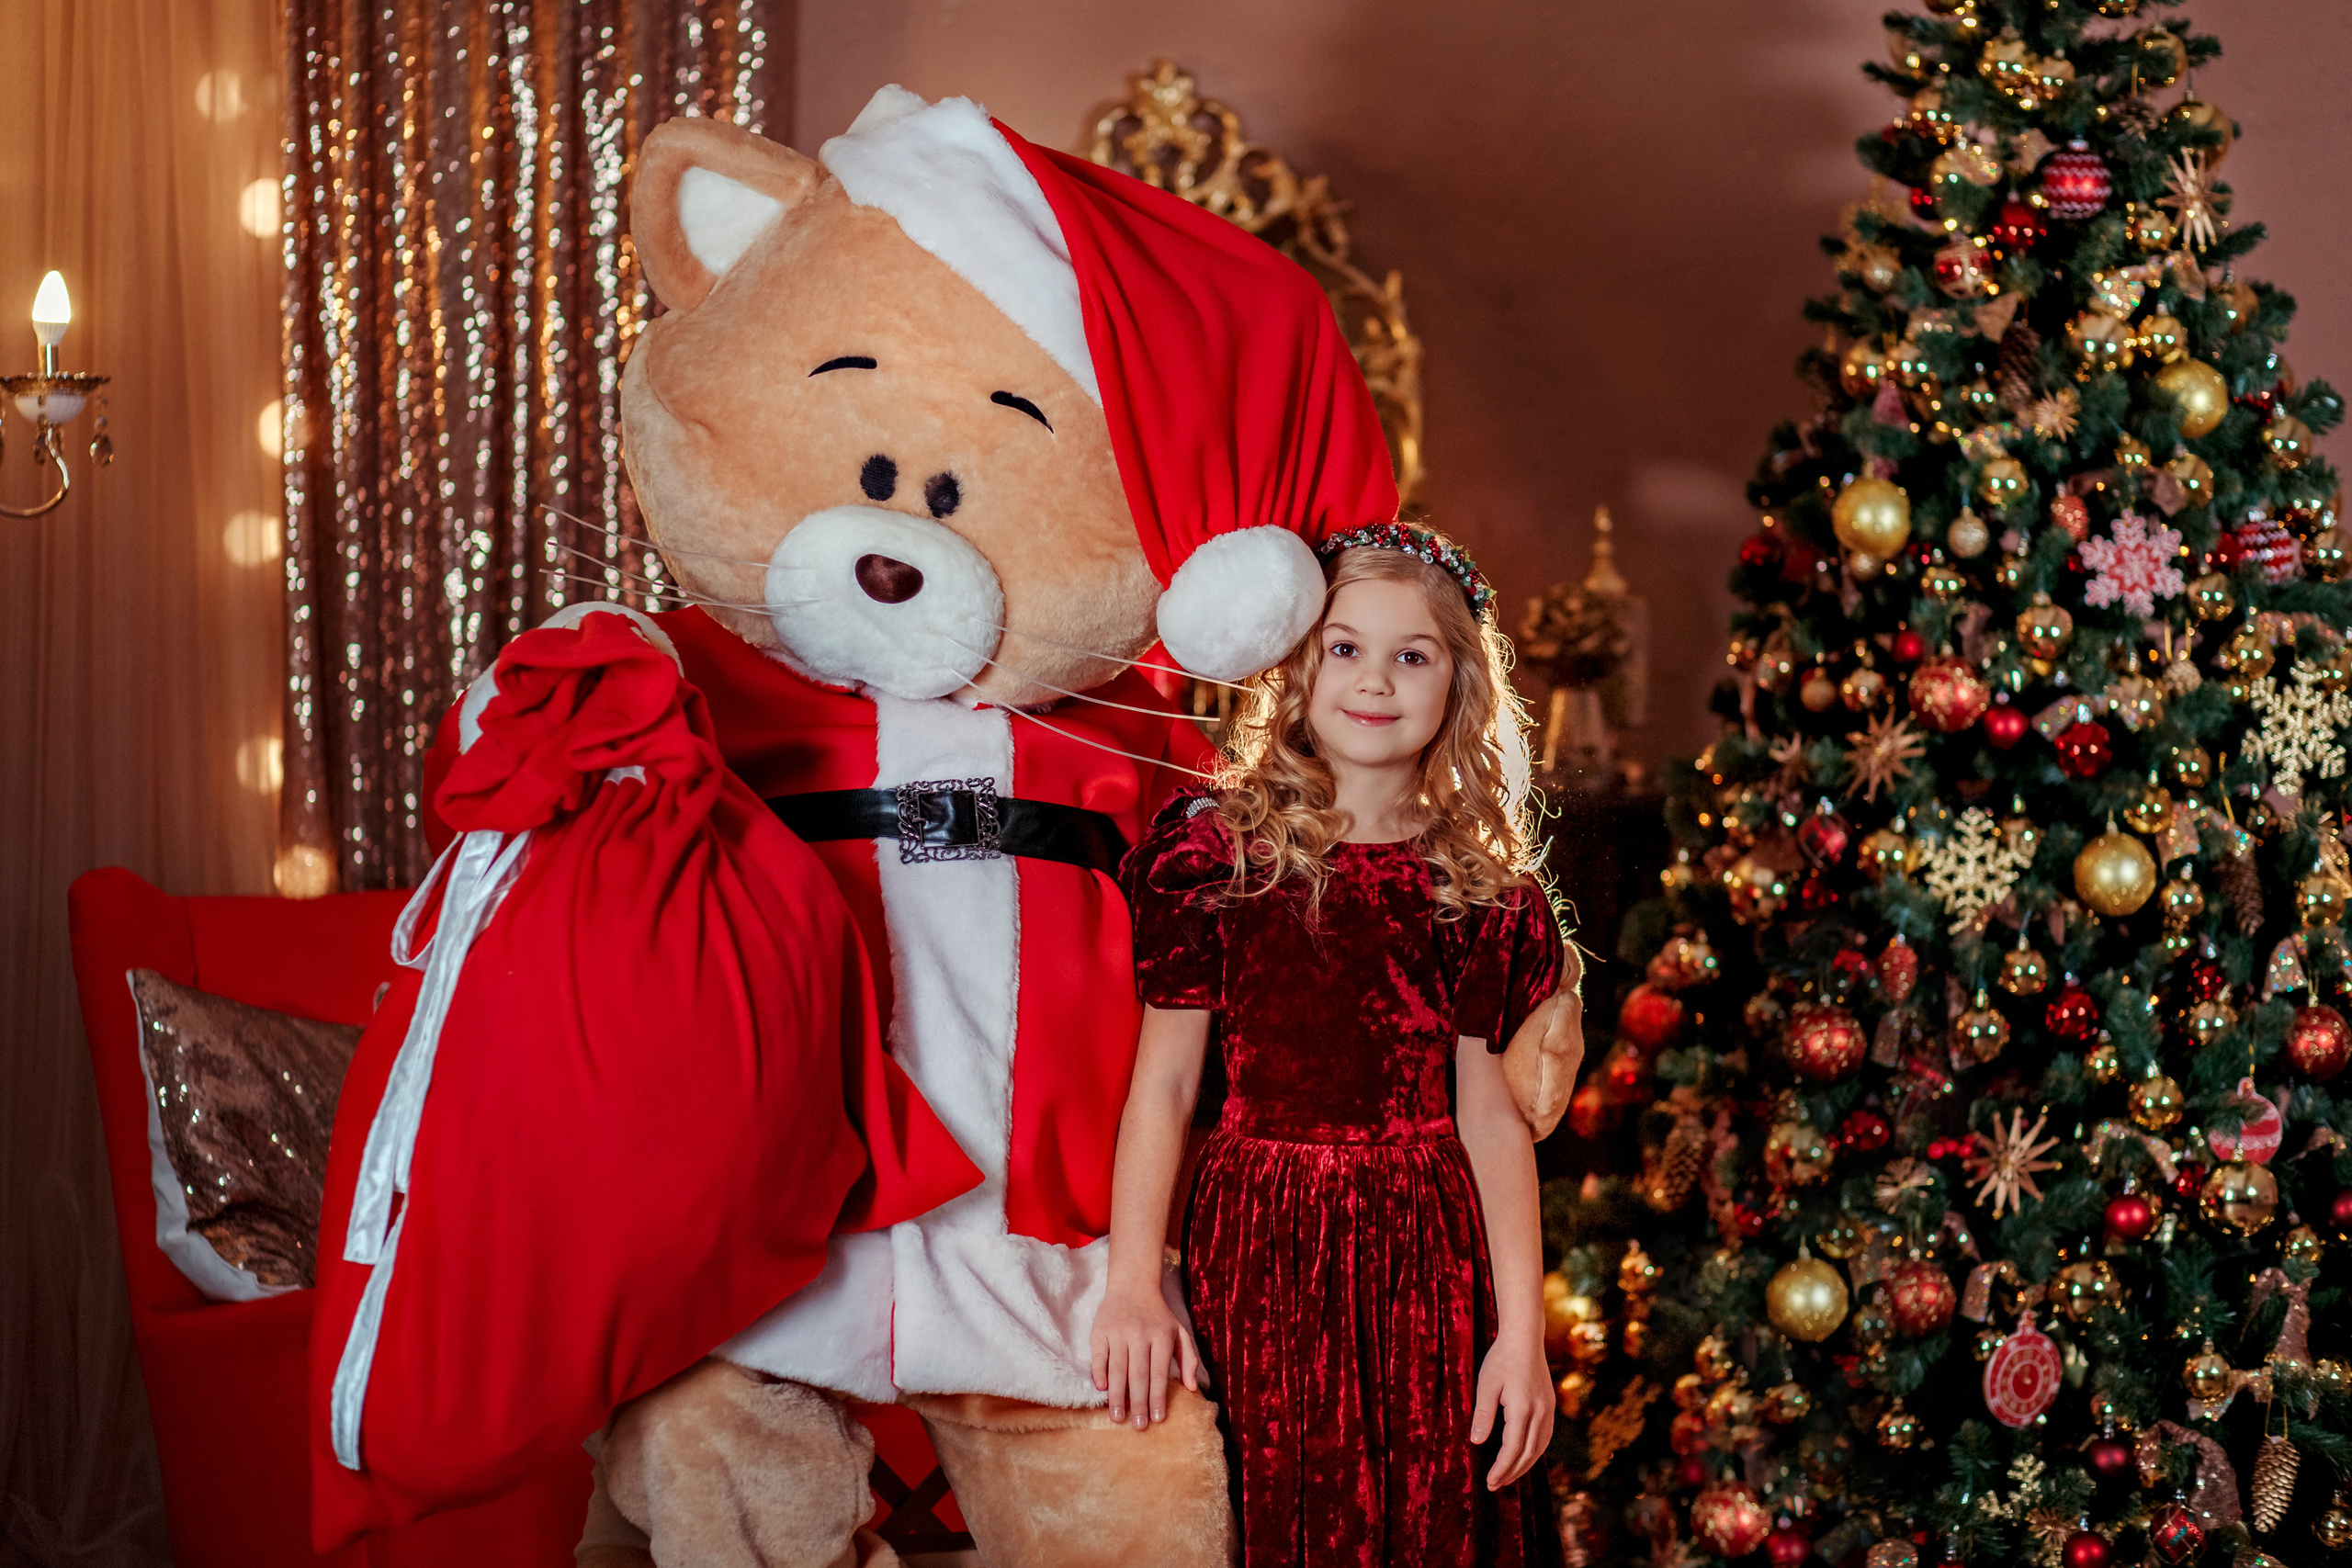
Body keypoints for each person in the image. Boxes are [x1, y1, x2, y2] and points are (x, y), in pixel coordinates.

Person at [1091, 525, 1573, 1567]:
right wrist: (1136, 1277)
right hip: (1255, 1246)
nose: (1376, 681)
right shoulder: (1217, 856)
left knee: (1426, 1513)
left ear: (1458, 684)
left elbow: (1489, 1120)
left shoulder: (1480, 894)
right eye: (1346, 647)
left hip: (1426, 1257)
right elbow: (1165, 1089)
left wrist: (1520, 1338)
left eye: (1413, 655)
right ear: (1301, 664)